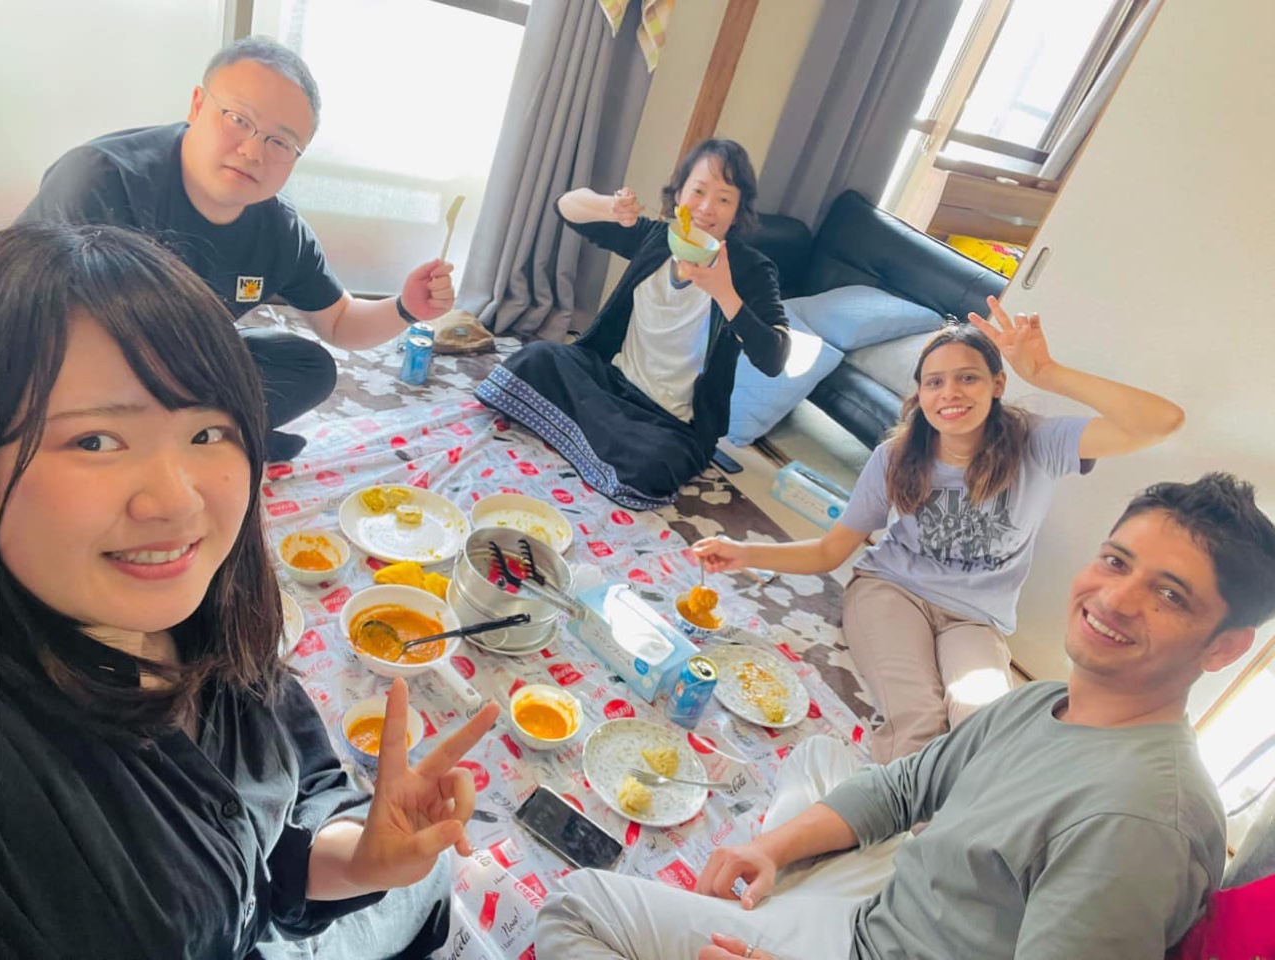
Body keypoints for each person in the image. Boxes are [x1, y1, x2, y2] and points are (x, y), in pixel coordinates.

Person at [0, 222, 497, 958]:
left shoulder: (213, 613)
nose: (177, 502)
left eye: (207, 433)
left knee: (431, 871)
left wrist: (359, 858)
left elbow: (286, 829)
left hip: (265, 921)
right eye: (96, 441)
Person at [535, 473, 1275, 959]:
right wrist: (771, 850)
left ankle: (772, 921)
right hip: (892, 906)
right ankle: (782, 894)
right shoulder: (1045, 701)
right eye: (1116, 561)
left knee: (575, 907)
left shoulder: (1137, 825)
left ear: (1225, 647)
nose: (1115, 599)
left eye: (1170, 595)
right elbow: (903, 789)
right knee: (823, 759)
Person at [695, 300, 1185, 762]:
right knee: (918, 717)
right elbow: (829, 551)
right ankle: (900, 817)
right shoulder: (894, 457)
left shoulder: (1038, 442)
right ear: (920, 396)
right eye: (934, 382)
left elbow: (1161, 422)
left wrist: (1047, 373)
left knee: (983, 730)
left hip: (976, 618)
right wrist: (744, 551)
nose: (950, 393)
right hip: (891, 592)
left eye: (967, 377)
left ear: (997, 384)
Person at [16, 37, 455, 463]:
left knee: (309, 367)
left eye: (280, 142)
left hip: (181, 367)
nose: (252, 151)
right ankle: (210, 440)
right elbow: (37, 326)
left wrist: (407, 307)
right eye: (238, 120)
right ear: (197, 105)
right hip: (75, 365)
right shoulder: (102, 180)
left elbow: (340, 321)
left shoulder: (280, 230)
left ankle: (196, 439)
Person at [474, 139, 790, 510]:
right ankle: (600, 447)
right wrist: (608, 207)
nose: (706, 208)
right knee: (534, 359)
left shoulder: (751, 271)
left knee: (652, 465)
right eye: (698, 191)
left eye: (723, 199)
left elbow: (775, 358)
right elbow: (565, 207)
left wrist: (726, 294)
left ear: (737, 213)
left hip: (670, 423)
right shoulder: (657, 237)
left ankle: (581, 436)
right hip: (611, 380)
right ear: (679, 195)